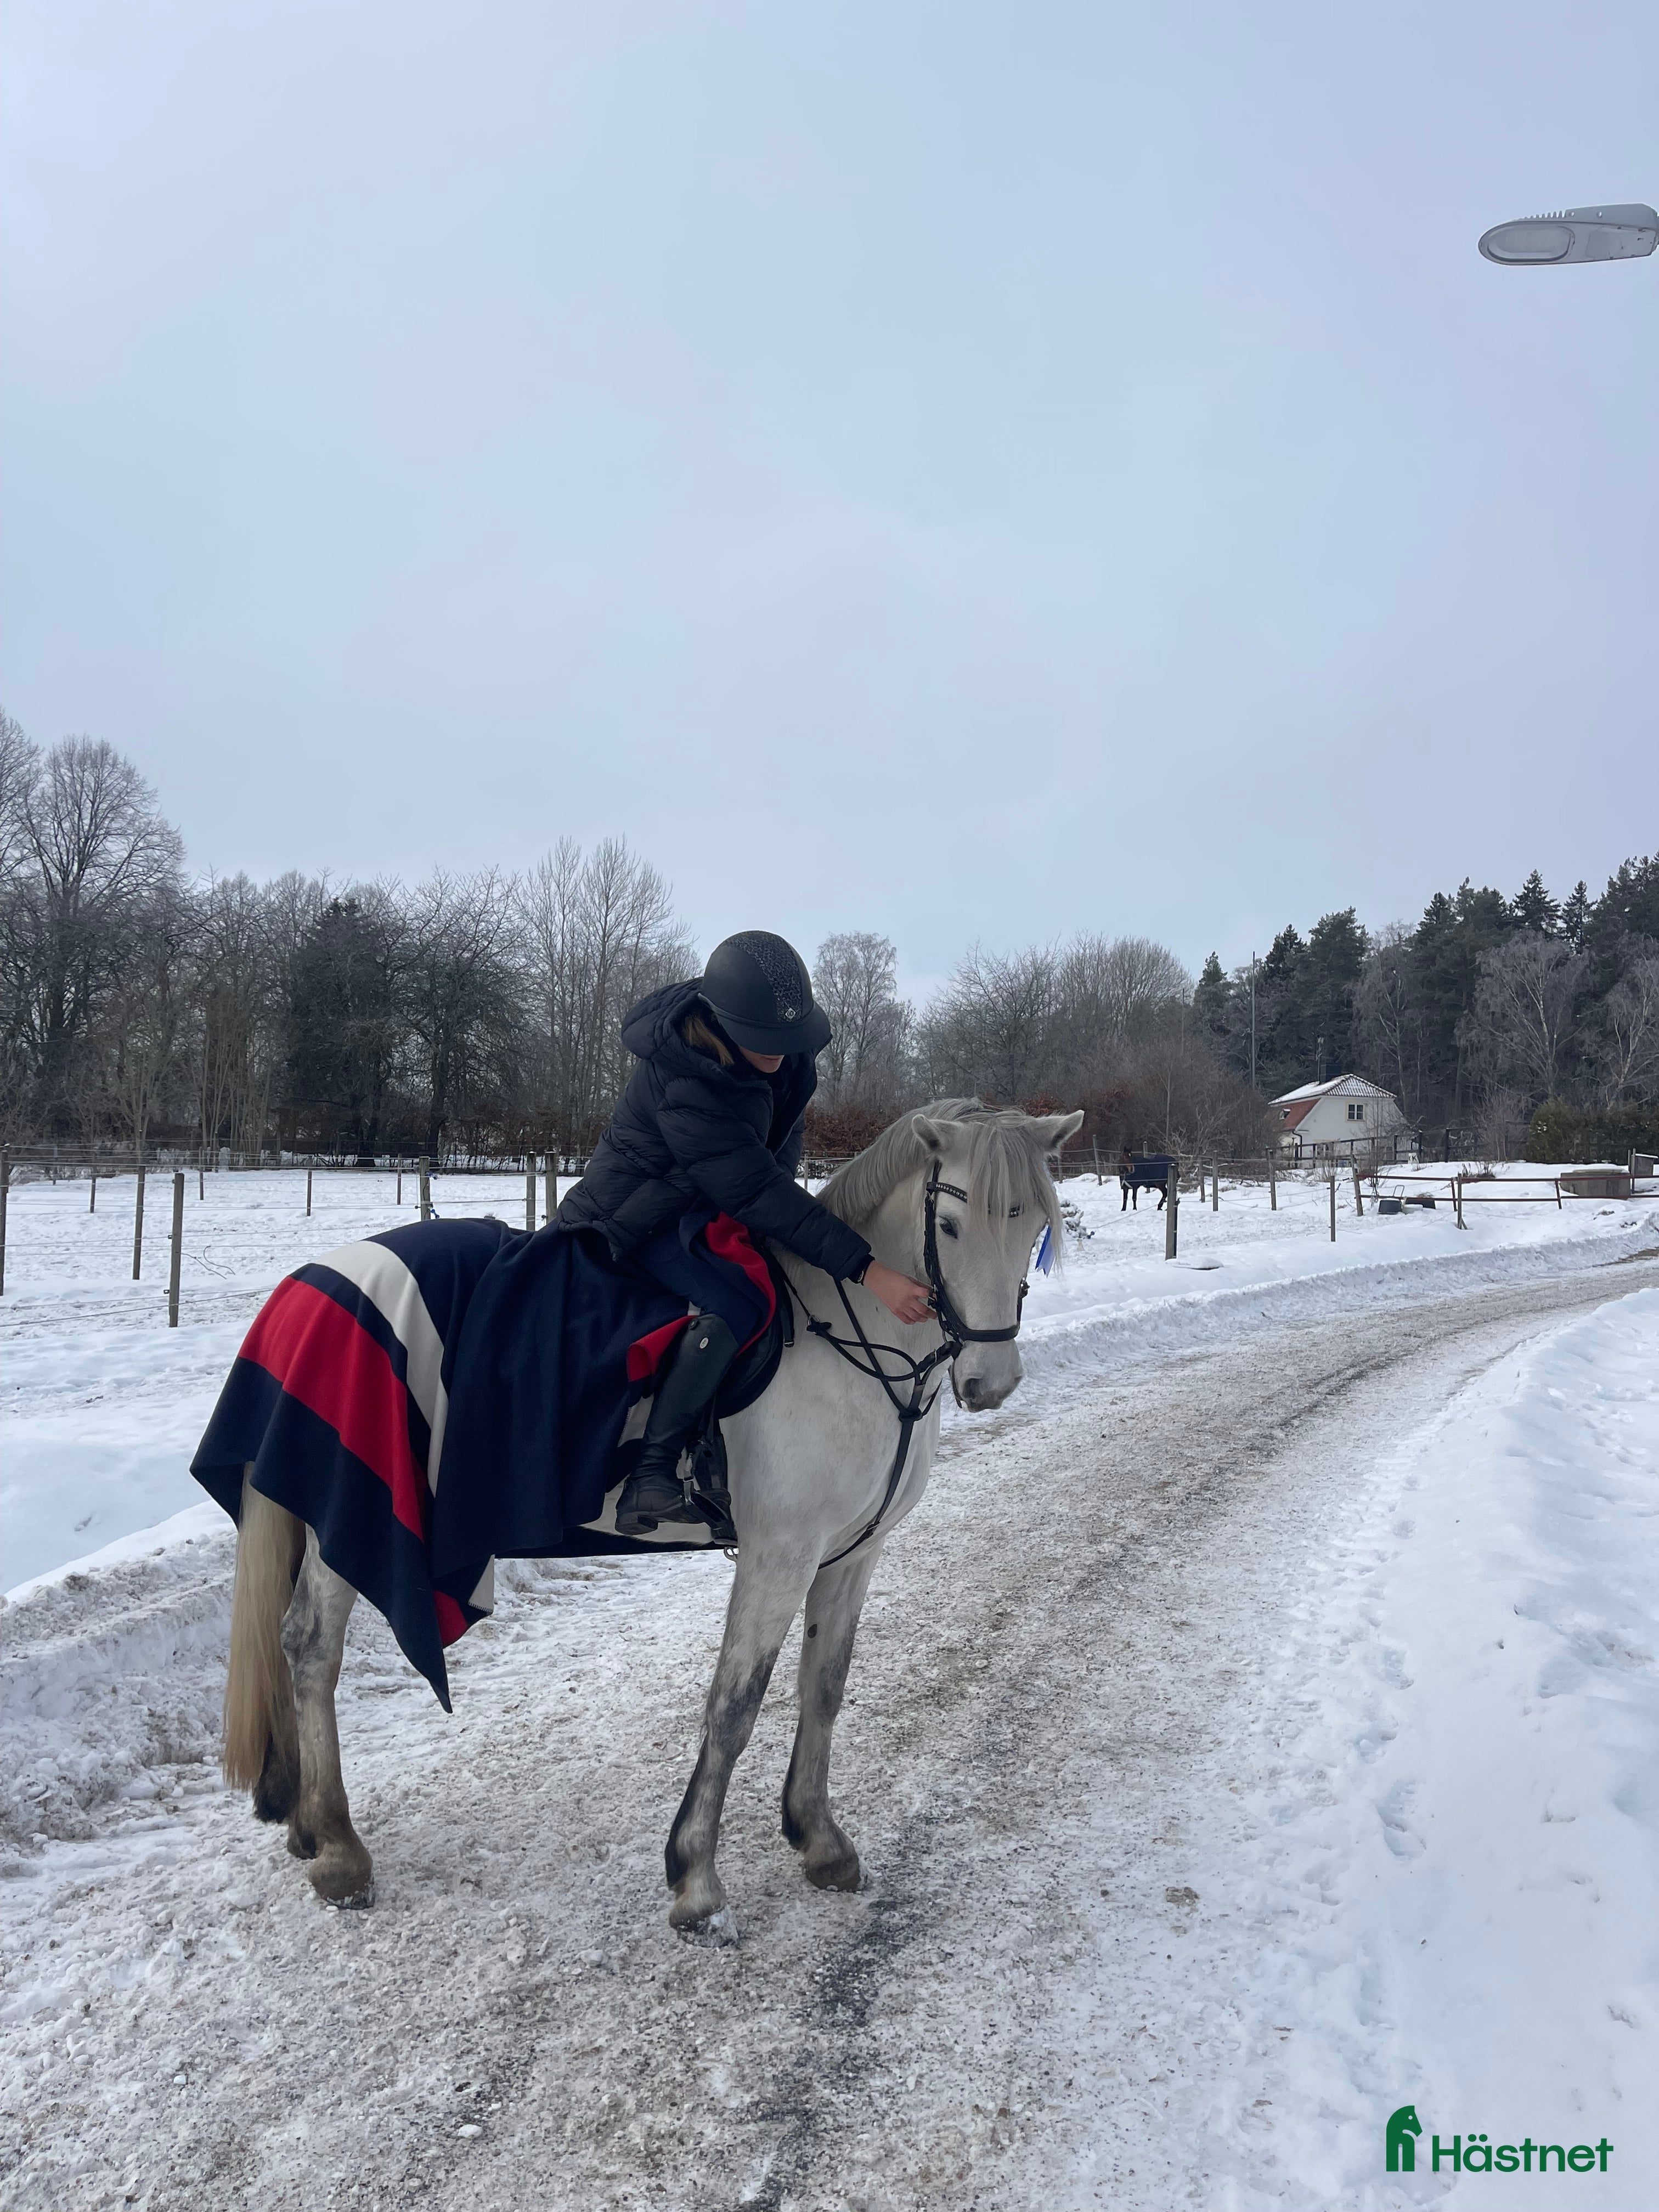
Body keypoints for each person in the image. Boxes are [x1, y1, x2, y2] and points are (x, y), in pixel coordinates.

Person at [557, 930, 933, 1536]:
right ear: (723, 1025)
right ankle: (653, 1473)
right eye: (767, 1041)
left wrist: (782, 1219)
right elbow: (755, 1190)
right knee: (737, 1299)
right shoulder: (687, 1080)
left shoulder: (785, 1056)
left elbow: (777, 1157)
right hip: (638, 1214)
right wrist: (869, 1270)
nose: (781, 1054)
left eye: (790, 1039)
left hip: (706, 1199)